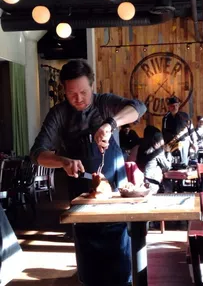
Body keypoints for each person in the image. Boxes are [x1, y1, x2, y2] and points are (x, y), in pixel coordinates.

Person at [30, 59, 146, 286]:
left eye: (83, 91)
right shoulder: (60, 114)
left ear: (93, 85)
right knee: (88, 254)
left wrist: (110, 124)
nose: (78, 98)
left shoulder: (104, 103)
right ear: (64, 91)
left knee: (119, 252)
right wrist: (61, 160)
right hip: (80, 193)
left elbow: (139, 107)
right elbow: (37, 153)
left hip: (114, 190)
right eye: (71, 93)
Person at [136, 125, 172, 194]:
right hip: (153, 182)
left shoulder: (141, 147)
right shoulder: (158, 151)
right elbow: (167, 167)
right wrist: (168, 153)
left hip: (142, 180)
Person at [162, 96, 195, 165]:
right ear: (169, 107)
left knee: (183, 160)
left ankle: (183, 167)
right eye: (172, 106)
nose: (175, 107)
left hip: (183, 141)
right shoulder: (166, 118)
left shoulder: (184, 116)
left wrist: (194, 143)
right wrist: (165, 144)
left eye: (176, 105)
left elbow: (191, 129)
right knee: (168, 159)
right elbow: (163, 132)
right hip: (170, 142)